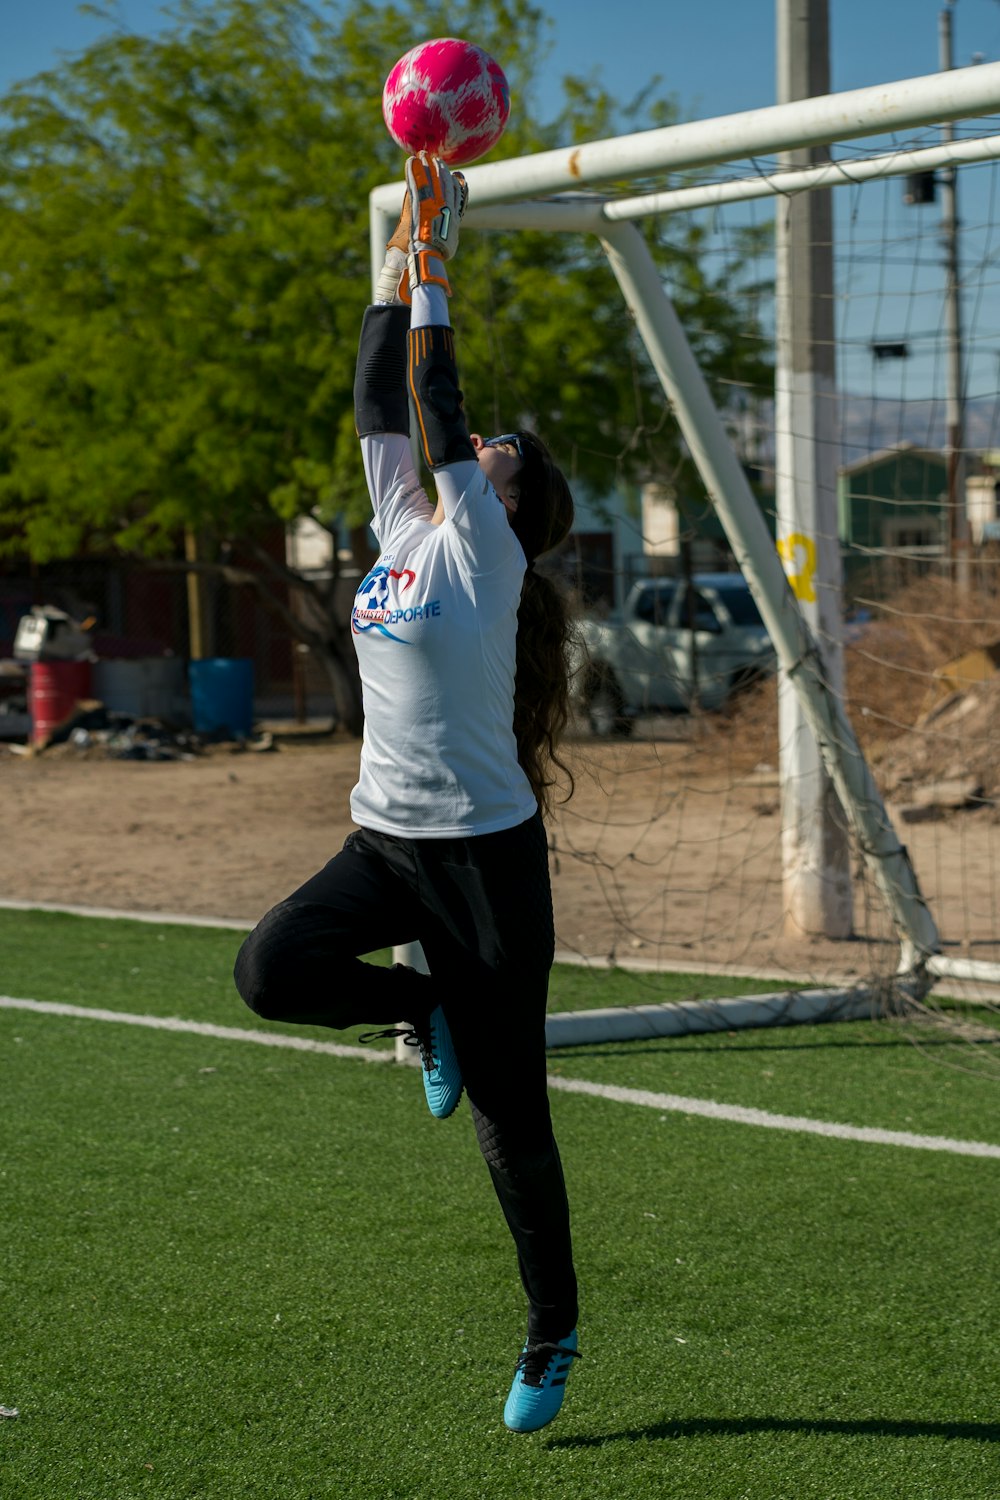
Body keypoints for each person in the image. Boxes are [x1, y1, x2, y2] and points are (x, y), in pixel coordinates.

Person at [234, 154, 580, 1434]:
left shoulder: (482, 547)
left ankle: (553, 1334)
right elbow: (385, 393)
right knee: (271, 973)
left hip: (486, 868)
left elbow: (436, 396)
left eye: (503, 453)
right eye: (486, 444)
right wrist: (397, 257)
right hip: (386, 846)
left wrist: (437, 248)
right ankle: (419, 1004)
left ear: (513, 501)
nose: (486, 446)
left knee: (512, 1123)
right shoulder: (401, 531)